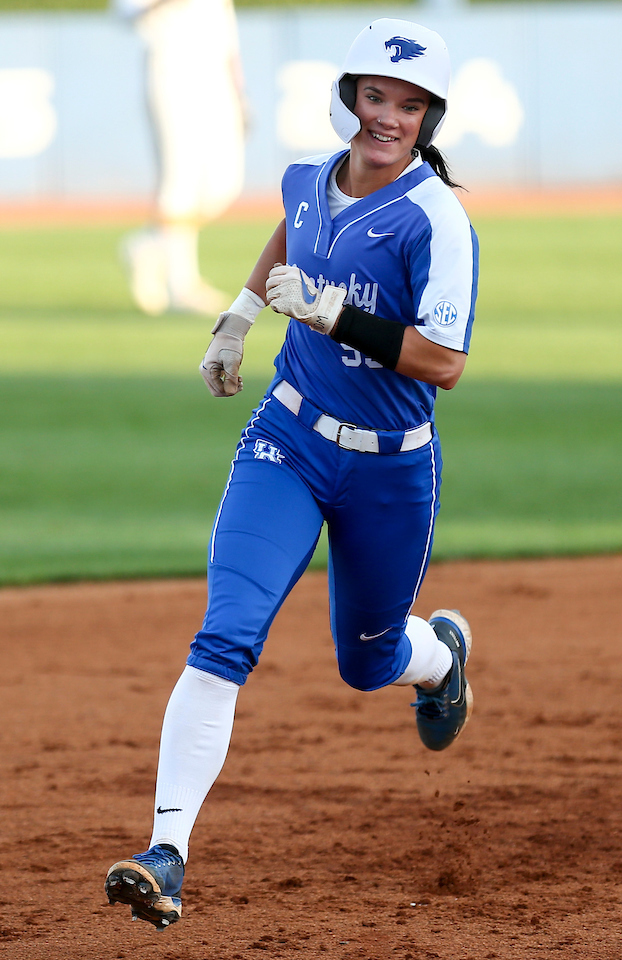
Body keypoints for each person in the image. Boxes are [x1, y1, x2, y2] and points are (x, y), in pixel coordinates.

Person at [104, 19, 479, 930]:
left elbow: (443, 362)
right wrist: (237, 317)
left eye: (409, 105)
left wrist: (334, 314)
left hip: (389, 468)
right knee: (224, 636)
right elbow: (293, 230)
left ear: (429, 118)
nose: (388, 116)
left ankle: (439, 659)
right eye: (375, 96)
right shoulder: (308, 178)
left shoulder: (437, 220)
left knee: (367, 660)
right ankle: (165, 852)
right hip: (288, 440)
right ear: (349, 97)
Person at [113, 0, 245, 314]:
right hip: (170, 68)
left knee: (224, 184)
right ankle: (182, 286)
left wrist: (240, 90)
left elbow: (225, 27)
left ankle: (149, 245)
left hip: (216, 74)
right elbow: (126, 11)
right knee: (179, 179)